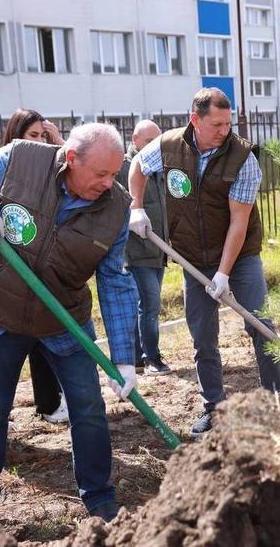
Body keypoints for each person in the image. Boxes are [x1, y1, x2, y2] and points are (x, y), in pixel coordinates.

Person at [0, 123, 138, 523]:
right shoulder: (21, 160)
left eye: (115, 174)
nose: (109, 183)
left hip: (63, 319)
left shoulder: (116, 208)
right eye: (101, 174)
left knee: (88, 407)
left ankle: (100, 499)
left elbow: (116, 282)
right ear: (71, 159)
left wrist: (124, 358)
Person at [127, 88, 280, 436]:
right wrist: (136, 207)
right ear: (195, 119)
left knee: (258, 323)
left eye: (228, 122)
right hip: (193, 255)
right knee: (203, 336)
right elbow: (136, 166)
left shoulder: (243, 158)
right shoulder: (167, 145)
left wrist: (224, 273)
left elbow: (239, 222)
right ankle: (214, 407)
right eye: (216, 124)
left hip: (240, 256)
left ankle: (279, 398)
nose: (225, 130)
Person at [0, 109, 68, 424]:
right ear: (16, 137)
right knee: (9, 346)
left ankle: (49, 402)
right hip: (13, 268)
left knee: (44, 336)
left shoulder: (51, 168)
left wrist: (57, 140)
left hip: (46, 263)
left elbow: (77, 167)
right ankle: (0, 411)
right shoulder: (4, 168)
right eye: (33, 136)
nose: (40, 143)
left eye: (43, 136)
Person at [116, 120, 172, 375]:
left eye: (157, 141)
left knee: (145, 305)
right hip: (136, 251)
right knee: (149, 305)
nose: (154, 147)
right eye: (149, 141)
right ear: (135, 140)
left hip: (158, 251)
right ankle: (152, 358)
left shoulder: (157, 168)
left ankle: (138, 356)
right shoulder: (124, 167)